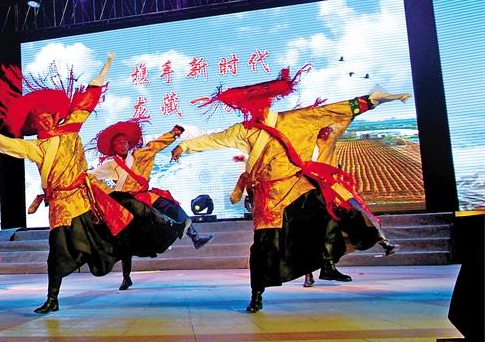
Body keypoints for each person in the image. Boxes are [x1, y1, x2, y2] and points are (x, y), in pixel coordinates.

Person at [171, 66, 411, 313]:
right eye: (251, 105)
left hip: (298, 187)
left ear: (267, 103)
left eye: (260, 103)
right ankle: (257, 294)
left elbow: (332, 110)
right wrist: (185, 147)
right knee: (264, 246)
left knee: (334, 210)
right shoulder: (243, 130)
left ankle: (330, 262)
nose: (256, 109)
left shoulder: (296, 119)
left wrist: (372, 100)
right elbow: (215, 139)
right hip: (269, 198)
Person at [0, 53, 186, 313]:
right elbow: (6, 144)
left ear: (55, 116)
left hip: (87, 200)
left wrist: (103, 72)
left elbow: (87, 102)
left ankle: (168, 227)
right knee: (57, 252)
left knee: (125, 212)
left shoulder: (71, 129)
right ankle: (52, 298)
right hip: (61, 209)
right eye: (40, 119)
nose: (45, 120)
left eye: (48, 115)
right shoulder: (35, 147)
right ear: (34, 124)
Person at [89, 120, 213, 290]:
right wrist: (107, 191)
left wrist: (173, 133)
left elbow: (155, 145)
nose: (122, 145)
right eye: (118, 143)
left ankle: (195, 237)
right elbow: (91, 176)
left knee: (171, 205)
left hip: (145, 195)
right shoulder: (110, 165)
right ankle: (126, 277)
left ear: (129, 144)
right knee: (126, 240)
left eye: (124, 142)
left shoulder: (140, 155)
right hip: (128, 203)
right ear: (113, 147)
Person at [301, 125, 398, 288]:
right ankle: (310, 274)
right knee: (310, 233)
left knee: (358, 212)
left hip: (333, 189)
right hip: (311, 193)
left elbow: (332, 165)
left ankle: (384, 242)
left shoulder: (326, 142)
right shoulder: (303, 145)